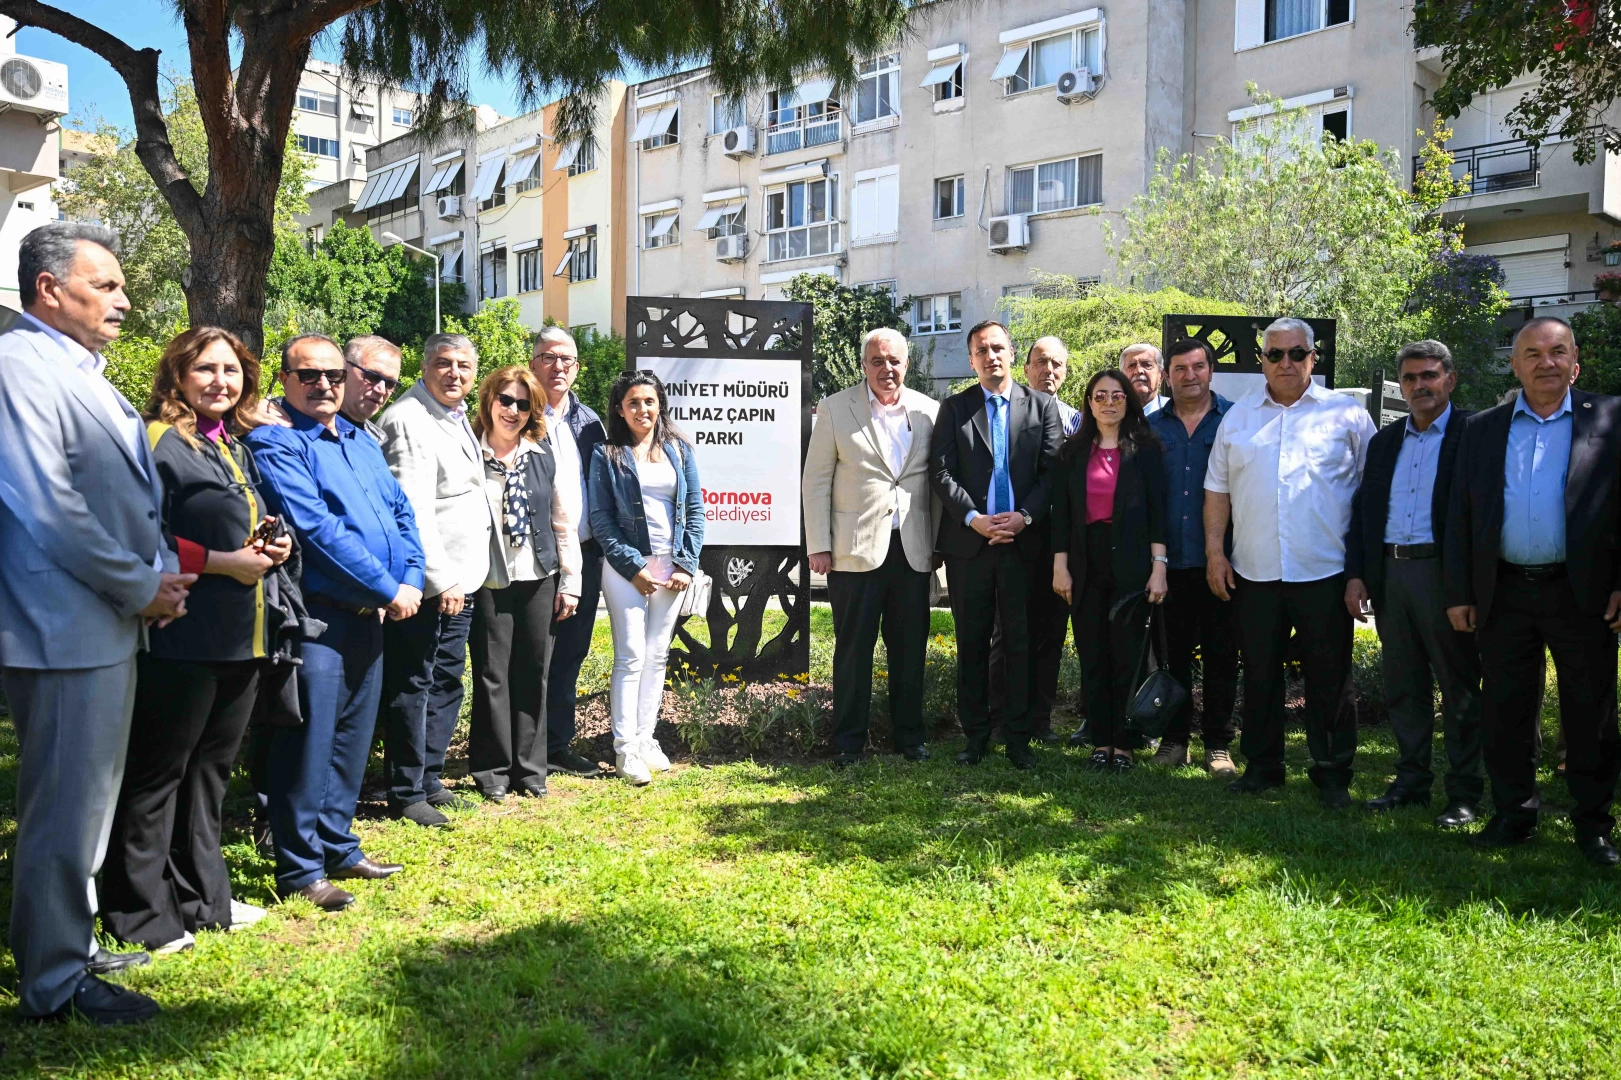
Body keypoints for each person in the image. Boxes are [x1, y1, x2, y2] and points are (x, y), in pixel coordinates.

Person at [0, 222, 192, 1024]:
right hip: (62, 625)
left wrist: (155, 574)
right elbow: (48, 506)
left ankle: (67, 945)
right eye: (105, 284)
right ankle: (53, 983)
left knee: (87, 802)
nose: (124, 299)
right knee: (64, 807)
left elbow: (121, 497)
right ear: (50, 288)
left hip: (97, 621)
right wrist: (141, 586)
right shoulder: (18, 366)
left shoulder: (80, 370)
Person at [99, 328, 291, 957]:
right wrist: (224, 562)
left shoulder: (230, 443)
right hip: (182, 631)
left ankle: (204, 900)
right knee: (159, 776)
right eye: (205, 369)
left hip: (242, 633)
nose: (220, 381)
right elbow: (138, 533)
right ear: (178, 376)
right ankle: (139, 914)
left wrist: (274, 545)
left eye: (231, 370)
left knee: (209, 775)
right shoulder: (158, 440)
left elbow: (241, 523)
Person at [246, 333, 422, 911]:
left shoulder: (358, 439)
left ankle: (338, 845)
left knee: (349, 740)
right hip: (318, 618)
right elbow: (315, 529)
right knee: (308, 746)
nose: (323, 385)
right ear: (285, 380)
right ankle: (300, 868)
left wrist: (412, 577)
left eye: (332, 375)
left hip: (368, 617)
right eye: (308, 375)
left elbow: (401, 512)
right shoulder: (277, 442)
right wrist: (387, 587)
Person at [1445, 317, 1621, 866]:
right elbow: (1459, 514)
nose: (1546, 362)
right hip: (1504, 591)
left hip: (1583, 592)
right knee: (1506, 709)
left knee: (1590, 711)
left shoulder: (1611, 419)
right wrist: (1459, 591)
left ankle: (1593, 825)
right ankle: (1514, 814)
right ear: (1515, 365)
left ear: (1575, 362)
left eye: (1557, 351)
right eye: (1533, 354)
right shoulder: (1483, 428)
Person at [1205, 317, 1375, 807]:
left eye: (1297, 353)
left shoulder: (1347, 414)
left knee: (1330, 679)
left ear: (1313, 358)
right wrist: (1215, 553)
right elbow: (1217, 491)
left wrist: (1361, 571)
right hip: (1254, 571)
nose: (1286, 362)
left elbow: (1370, 494)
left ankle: (1333, 773)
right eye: (1275, 354)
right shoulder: (1237, 418)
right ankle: (1263, 767)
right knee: (1260, 674)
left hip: (1325, 571)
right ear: (1262, 360)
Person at [1345, 340, 1483, 826]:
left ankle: (1464, 792)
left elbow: (1482, 516)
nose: (1419, 385)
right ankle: (1411, 782)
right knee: (1404, 686)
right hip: (1391, 576)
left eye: (1429, 375)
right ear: (1401, 386)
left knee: (1459, 687)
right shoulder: (1386, 441)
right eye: (1410, 378)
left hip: (1445, 577)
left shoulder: (1474, 433)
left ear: (1450, 379)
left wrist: (1468, 588)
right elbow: (1364, 513)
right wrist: (1358, 573)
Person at [803, 327, 940, 767]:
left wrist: (939, 545)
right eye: (877, 361)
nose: (887, 369)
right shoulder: (835, 407)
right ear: (864, 365)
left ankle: (910, 738)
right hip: (854, 549)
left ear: (906, 364)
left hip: (913, 550)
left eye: (894, 360)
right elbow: (816, 480)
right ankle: (848, 742)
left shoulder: (929, 411)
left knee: (910, 650)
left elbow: (937, 485)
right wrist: (819, 544)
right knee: (853, 651)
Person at [929, 320, 1063, 770]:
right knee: (971, 643)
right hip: (971, 547)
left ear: (1012, 353)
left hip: (1024, 546)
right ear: (972, 360)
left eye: (998, 348)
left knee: (1022, 643)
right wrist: (975, 520)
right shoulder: (955, 408)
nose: (991, 356)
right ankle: (975, 736)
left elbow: (1052, 473)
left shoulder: (1042, 407)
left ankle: (1018, 737)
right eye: (982, 350)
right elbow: (941, 472)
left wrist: (1024, 517)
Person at [377, 333, 498, 826]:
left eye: (464, 365)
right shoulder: (409, 419)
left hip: (461, 579)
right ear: (425, 367)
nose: (455, 373)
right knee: (415, 682)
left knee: (446, 680)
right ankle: (405, 791)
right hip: (431, 584)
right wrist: (441, 578)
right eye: (444, 363)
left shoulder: (452, 414)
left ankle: (428, 779)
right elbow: (412, 511)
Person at [468, 365, 582, 798]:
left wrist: (570, 581)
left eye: (523, 404)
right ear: (490, 401)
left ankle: (530, 770)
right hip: (488, 579)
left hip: (539, 577)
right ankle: (492, 771)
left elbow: (564, 523)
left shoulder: (543, 455)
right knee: (492, 674)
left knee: (535, 671)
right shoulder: (470, 452)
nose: (512, 411)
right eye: (506, 400)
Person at [589, 371, 705, 785]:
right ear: (620, 410)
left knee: (656, 655)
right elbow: (601, 518)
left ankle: (645, 738)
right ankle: (625, 750)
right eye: (633, 403)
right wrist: (633, 567)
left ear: (660, 405)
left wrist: (686, 565)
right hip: (627, 568)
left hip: (670, 568)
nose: (642, 409)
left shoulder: (680, 451)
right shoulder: (607, 454)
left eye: (649, 401)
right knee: (631, 655)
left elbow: (695, 510)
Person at [1051, 369, 1169, 771]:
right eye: (1100, 396)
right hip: (1084, 561)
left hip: (1133, 561)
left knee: (1127, 655)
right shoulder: (1072, 452)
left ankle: (1126, 745)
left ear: (1128, 402)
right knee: (1093, 654)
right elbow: (1062, 515)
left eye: (1117, 396)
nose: (1108, 403)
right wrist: (1060, 565)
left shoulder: (1146, 449)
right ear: (1089, 402)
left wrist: (1159, 567)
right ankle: (1101, 742)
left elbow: (1157, 513)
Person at [1148, 338, 1240, 775]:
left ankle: (1218, 745)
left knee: (1222, 656)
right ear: (1167, 376)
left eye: (1198, 366)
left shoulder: (1235, 420)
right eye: (1180, 369)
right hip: (1167, 563)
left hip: (1222, 562)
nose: (1190, 376)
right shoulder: (1151, 427)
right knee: (1173, 657)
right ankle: (1175, 740)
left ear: (1211, 371)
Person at [990, 336, 1079, 746]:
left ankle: (1039, 720)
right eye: (1041, 361)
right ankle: (1000, 718)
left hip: (1061, 546)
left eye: (1057, 364)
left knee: (1051, 635)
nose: (1049, 370)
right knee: (1006, 633)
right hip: (1016, 540)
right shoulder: (1006, 413)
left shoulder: (1080, 423)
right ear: (1025, 368)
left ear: (1066, 372)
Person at [530, 327, 609, 779]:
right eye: (549, 357)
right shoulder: (518, 411)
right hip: (534, 556)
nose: (558, 366)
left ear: (577, 367)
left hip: (584, 553)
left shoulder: (590, 421)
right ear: (533, 362)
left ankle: (557, 745)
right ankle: (524, 747)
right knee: (532, 655)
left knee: (572, 652)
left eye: (567, 359)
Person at [1120, 343, 1168, 416]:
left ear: (1161, 376)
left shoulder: (1176, 411)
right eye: (1131, 365)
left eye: (1147, 364)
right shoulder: (1111, 413)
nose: (1139, 371)